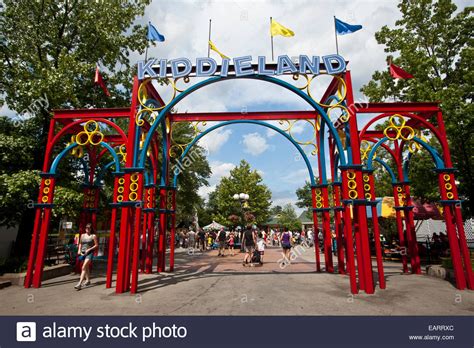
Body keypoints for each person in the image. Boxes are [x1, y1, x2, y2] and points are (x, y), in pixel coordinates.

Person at [75, 223, 98, 290]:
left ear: (91, 229)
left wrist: (89, 249)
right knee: (86, 267)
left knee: (84, 267)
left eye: (88, 228)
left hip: (89, 253)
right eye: (86, 228)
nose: (87, 229)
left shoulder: (93, 236)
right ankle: (88, 280)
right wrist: (79, 250)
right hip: (83, 253)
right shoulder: (82, 235)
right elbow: (80, 243)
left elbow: (96, 245)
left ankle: (79, 284)